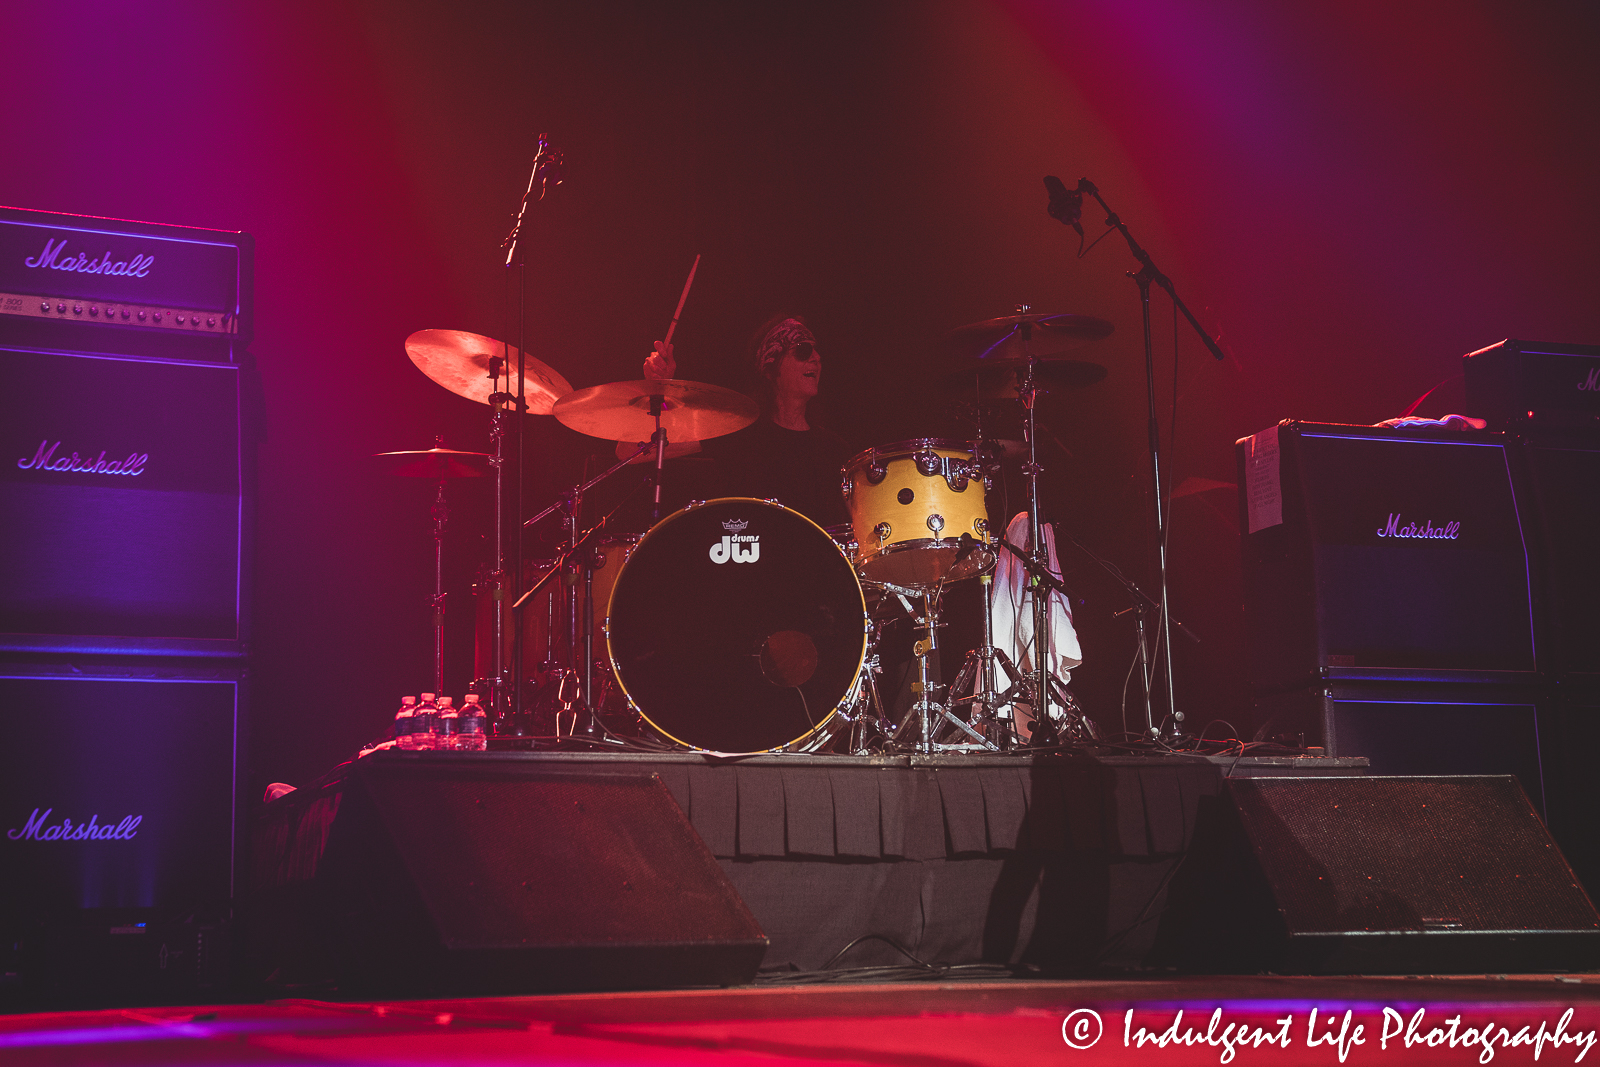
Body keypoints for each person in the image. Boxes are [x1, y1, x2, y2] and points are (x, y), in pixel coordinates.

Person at [635, 314, 855, 527]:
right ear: (771, 367)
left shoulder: (834, 450)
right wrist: (658, 389)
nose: (816, 357)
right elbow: (630, 449)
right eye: (803, 350)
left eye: (816, 351)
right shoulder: (737, 432)